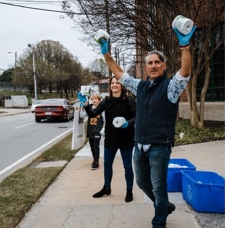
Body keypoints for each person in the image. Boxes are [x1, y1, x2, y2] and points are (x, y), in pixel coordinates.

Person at [98, 24, 196, 227]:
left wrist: (184, 46)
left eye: (157, 62)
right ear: (146, 66)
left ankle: (159, 222)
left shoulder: (171, 87)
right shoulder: (139, 86)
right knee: (142, 182)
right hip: (139, 144)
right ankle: (165, 206)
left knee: (159, 186)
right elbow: (119, 73)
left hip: (159, 145)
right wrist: (107, 55)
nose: (153, 66)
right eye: (149, 63)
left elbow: (185, 71)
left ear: (164, 65)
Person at [79, 77, 136, 203]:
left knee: (127, 166)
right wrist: (86, 104)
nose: (115, 85)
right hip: (111, 137)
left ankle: (129, 190)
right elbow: (93, 114)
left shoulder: (129, 100)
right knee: (107, 165)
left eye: (117, 83)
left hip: (126, 137)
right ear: (110, 86)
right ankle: (106, 188)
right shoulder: (107, 100)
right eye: (113, 83)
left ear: (122, 85)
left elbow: (136, 117)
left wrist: (128, 123)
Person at [79, 93, 105, 170]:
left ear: (99, 101)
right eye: (92, 99)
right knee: (92, 147)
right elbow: (81, 115)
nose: (94, 100)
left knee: (96, 147)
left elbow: (105, 120)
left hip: (98, 130)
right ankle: (94, 159)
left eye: (96, 99)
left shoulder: (101, 110)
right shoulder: (89, 108)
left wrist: (104, 129)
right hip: (90, 130)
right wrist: (81, 107)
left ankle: (96, 162)